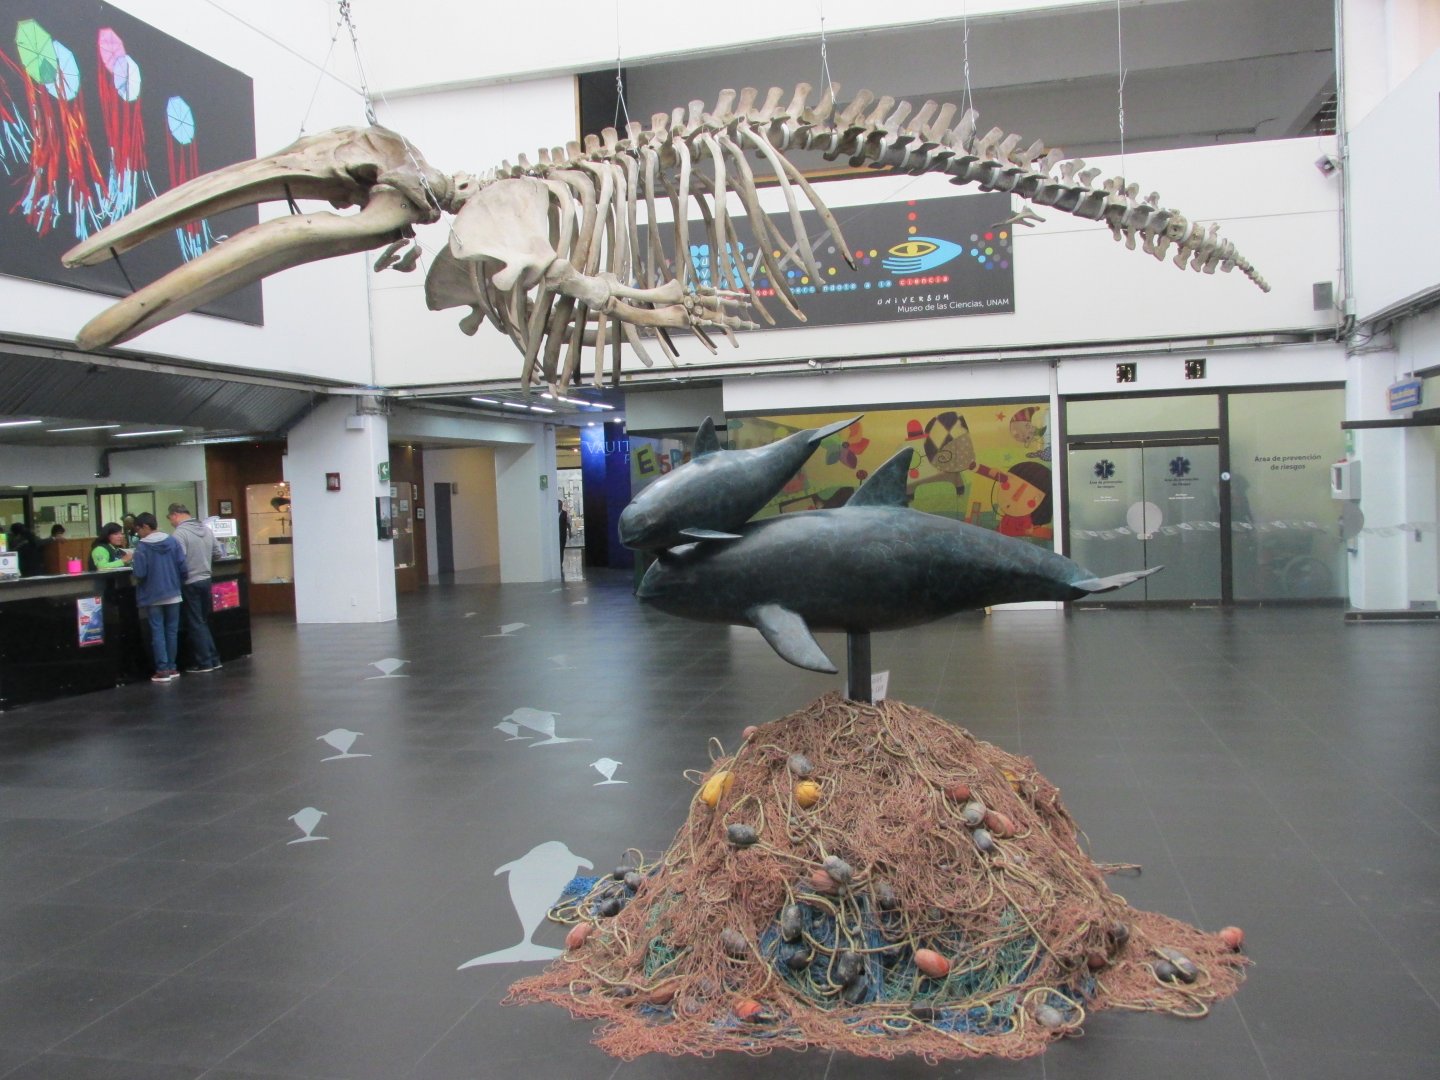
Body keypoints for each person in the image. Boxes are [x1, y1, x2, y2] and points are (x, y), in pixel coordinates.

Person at [167, 503, 226, 672]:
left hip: (190, 582)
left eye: (170, 517)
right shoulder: (206, 530)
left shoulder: (180, 533)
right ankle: (214, 659)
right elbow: (218, 553)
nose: (171, 521)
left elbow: (180, 559)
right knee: (202, 620)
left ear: (176, 514)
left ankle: (204, 662)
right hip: (206, 579)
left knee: (194, 622)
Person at [131, 512, 188, 682]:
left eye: (138, 530)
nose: (138, 533)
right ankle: (172, 667)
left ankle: (162, 669)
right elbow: (183, 566)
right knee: (172, 631)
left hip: (152, 594)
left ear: (146, 527)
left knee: (157, 631)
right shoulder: (172, 541)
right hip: (173, 592)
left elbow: (140, 573)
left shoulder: (142, 547)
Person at [558, 502, 571, 580]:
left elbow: (568, 523)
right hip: (555, 535)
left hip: (562, 534)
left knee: (561, 549)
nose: (558, 506)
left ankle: (560, 563)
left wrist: (569, 532)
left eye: (559, 504)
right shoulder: (552, 513)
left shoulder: (565, 514)